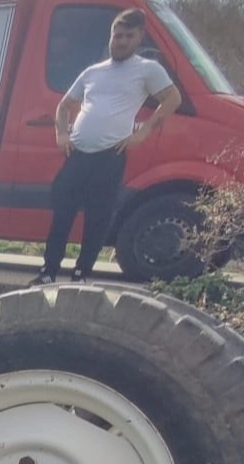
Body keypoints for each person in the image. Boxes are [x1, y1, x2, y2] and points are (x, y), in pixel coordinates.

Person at [30, 9, 181, 285]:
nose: (121, 41)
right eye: (117, 35)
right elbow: (64, 105)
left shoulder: (147, 69)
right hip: (77, 154)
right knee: (62, 215)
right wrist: (61, 134)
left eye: (128, 36)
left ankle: (81, 275)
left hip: (110, 156)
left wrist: (144, 132)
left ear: (139, 37)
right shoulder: (93, 72)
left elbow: (172, 99)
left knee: (97, 219)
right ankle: (48, 272)